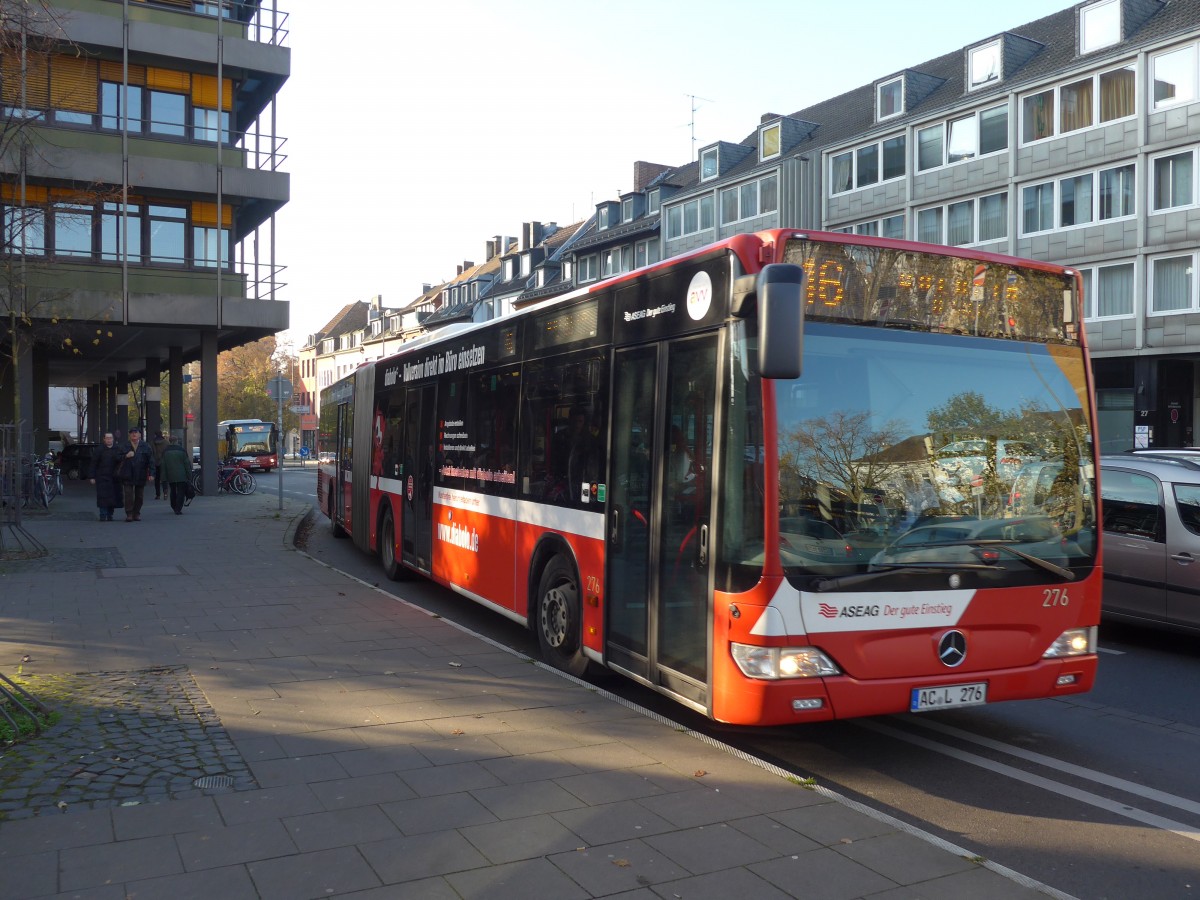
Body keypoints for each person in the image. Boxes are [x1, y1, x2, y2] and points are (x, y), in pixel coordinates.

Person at [118, 426, 156, 522]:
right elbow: (116, 458)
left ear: (139, 434)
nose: (134, 434)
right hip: (127, 473)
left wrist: (152, 473)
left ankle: (137, 513)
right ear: (129, 435)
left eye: (136, 432)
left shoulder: (146, 446)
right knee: (128, 495)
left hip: (141, 473)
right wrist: (125, 456)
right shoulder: (124, 446)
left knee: (139, 496)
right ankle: (129, 513)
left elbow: (151, 461)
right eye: (132, 433)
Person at [89, 432, 123, 521]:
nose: (109, 440)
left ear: (113, 439)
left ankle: (110, 514)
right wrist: (92, 477)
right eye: (107, 438)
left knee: (113, 497)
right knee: (102, 497)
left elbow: (121, 461)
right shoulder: (99, 450)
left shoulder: (118, 449)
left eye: (110, 438)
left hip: (114, 477)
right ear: (104, 439)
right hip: (102, 477)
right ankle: (103, 515)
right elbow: (93, 463)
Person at [159, 435, 190, 515]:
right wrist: (189, 475)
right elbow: (187, 464)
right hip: (181, 475)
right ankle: (178, 508)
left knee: (173, 491)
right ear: (177, 441)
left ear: (169, 441)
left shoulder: (165, 451)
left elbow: (163, 465)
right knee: (181, 492)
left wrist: (164, 478)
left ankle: (173, 505)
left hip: (170, 475)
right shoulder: (182, 450)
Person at [151, 430, 168, 499]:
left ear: (155, 435)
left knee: (157, 480)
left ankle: (158, 495)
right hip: (163, 463)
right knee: (164, 479)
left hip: (155, 463)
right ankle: (165, 493)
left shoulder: (152, 443)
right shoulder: (166, 443)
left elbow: (150, 453)